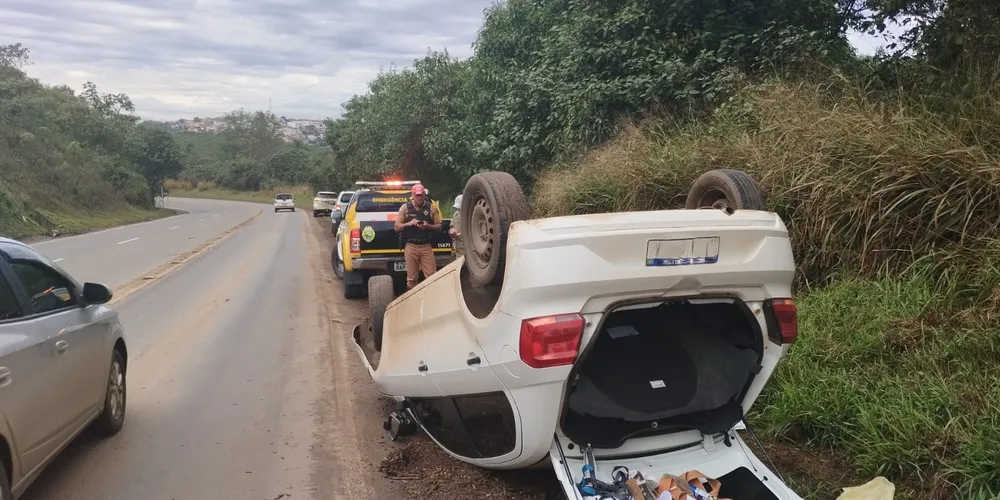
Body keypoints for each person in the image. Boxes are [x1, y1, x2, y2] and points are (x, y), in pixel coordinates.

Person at [394, 183, 443, 289]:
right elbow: (397, 227)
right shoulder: (405, 208)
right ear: (413, 195)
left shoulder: (431, 208)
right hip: (411, 245)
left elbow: (439, 226)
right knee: (412, 279)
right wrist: (409, 223)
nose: (419, 197)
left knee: (432, 276)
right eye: (417, 195)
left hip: (425, 245)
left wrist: (428, 226)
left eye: (421, 195)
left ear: (424, 195)